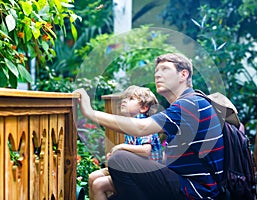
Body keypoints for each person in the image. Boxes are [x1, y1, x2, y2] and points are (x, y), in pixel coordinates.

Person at [75, 53, 224, 200]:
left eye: (165, 69)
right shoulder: (185, 104)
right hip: (184, 183)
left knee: (119, 159)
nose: (158, 75)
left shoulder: (190, 104)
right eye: (156, 71)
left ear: (183, 75)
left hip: (196, 191)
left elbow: (141, 127)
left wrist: (90, 112)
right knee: (105, 182)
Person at [88, 85, 163, 200]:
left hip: (144, 174)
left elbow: (145, 151)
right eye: (125, 98)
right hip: (132, 169)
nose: (124, 100)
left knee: (99, 184)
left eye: (130, 98)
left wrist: (121, 147)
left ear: (144, 108)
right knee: (93, 177)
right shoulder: (131, 124)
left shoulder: (144, 123)